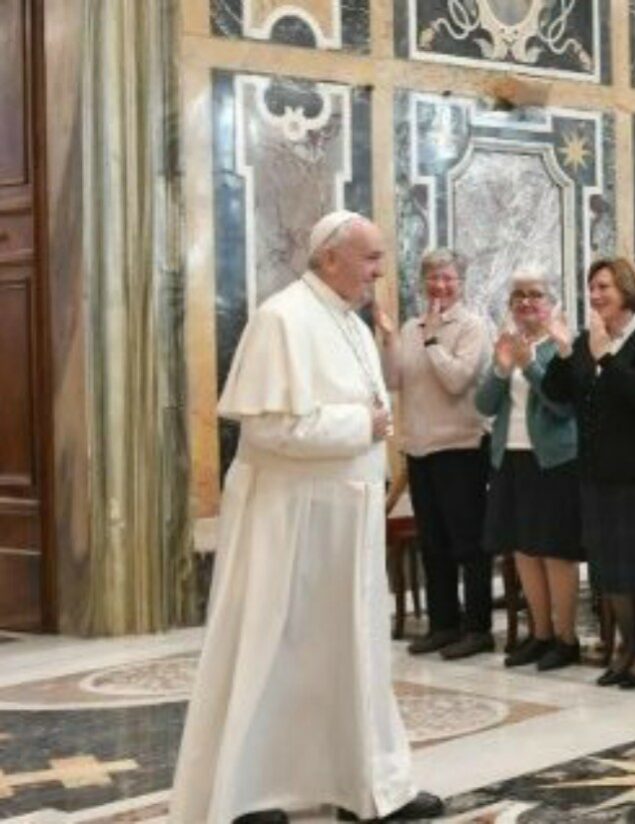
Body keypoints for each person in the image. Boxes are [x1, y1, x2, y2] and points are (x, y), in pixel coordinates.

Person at [172, 211, 443, 823]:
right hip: (289, 521)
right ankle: (254, 791)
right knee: (277, 649)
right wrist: (362, 426)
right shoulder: (281, 318)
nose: (380, 270)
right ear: (330, 259)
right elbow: (268, 427)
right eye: (370, 258)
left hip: (346, 517)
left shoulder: (348, 319)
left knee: (355, 651)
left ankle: (372, 785)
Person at [541, 259, 635, 689]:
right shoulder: (589, 339)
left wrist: (605, 358)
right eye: (591, 288)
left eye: (604, 287)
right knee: (611, 566)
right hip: (597, 471)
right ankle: (626, 645)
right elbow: (558, 393)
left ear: (625, 289)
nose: (596, 295)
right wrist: (566, 352)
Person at [375, 249, 496, 661]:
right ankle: (443, 624)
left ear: (461, 283)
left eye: (448, 279)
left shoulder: (472, 326)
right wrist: (390, 339)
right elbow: (393, 380)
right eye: (432, 279)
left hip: (461, 447)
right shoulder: (412, 326)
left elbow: (456, 381)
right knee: (434, 543)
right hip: (421, 447)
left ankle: (477, 627)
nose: (439, 287)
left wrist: (431, 339)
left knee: (468, 543)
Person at [477, 269, 584, 672]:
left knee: (556, 552)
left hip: (554, 460)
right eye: (518, 295)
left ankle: (566, 637)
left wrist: (531, 367)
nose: (526, 302)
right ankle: (539, 634)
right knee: (523, 549)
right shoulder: (507, 344)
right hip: (510, 456)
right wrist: (503, 369)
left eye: (535, 295)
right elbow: (484, 405)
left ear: (550, 303)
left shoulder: (562, 346)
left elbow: (563, 406)